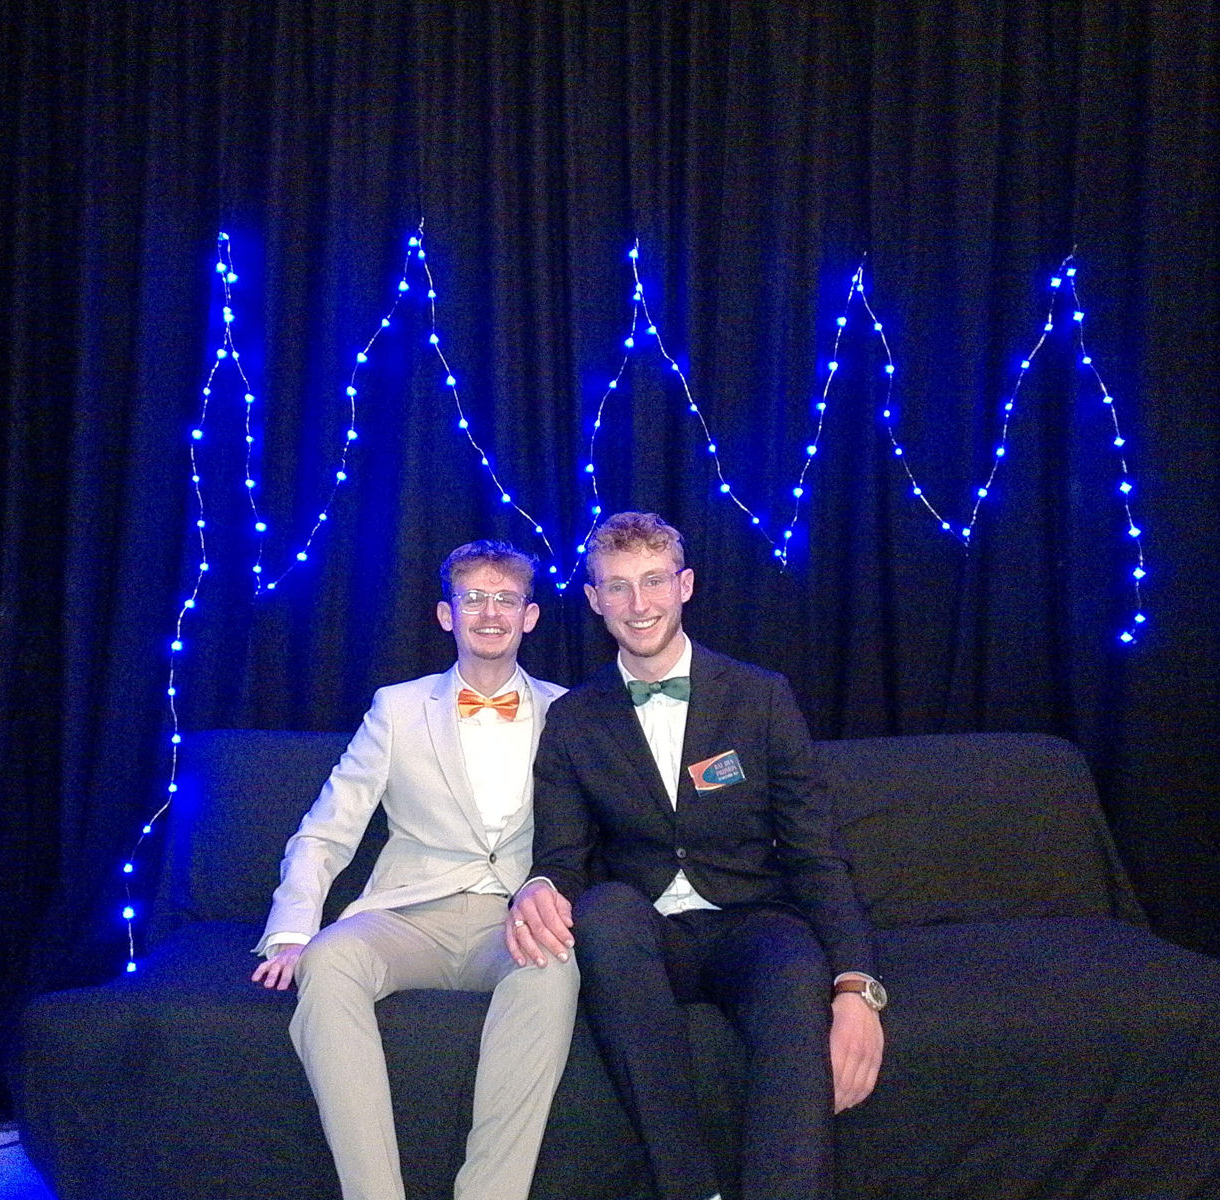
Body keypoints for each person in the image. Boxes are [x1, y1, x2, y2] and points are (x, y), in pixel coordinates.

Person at [509, 511, 885, 1200]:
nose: (639, 604)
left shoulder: (760, 697)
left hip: (752, 923)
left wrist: (857, 987)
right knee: (604, 910)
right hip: (645, 936)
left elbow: (815, 853)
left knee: (794, 966)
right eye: (618, 586)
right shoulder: (572, 720)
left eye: (654, 580)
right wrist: (536, 885)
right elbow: (562, 857)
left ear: (685, 585)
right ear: (594, 600)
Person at [252, 540, 578, 1200]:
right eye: (473, 598)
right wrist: (290, 930)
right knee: (328, 962)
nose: (490, 613)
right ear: (446, 614)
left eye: (506, 599)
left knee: (553, 971)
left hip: (511, 919)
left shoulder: (569, 711)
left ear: (530, 616)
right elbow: (327, 828)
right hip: (408, 915)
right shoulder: (397, 708)